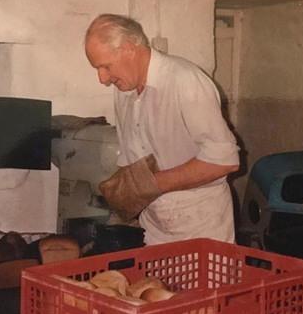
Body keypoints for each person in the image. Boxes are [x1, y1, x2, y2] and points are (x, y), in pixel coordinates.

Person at [84, 14, 240, 245]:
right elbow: (133, 159)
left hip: (201, 226)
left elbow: (224, 161)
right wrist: (124, 201)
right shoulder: (123, 90)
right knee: (155, 283)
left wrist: (152, 185)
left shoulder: (184, 80)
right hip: (154, 226)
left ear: (128, 49)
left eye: (105, 67)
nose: (102, 79)